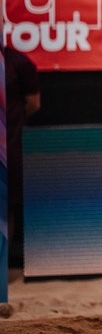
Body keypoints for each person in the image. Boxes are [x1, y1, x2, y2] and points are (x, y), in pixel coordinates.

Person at [4, 46, 40, 269]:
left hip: (9, 147)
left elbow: (33, 104)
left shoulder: (18, 62)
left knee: (6, 207)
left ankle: (2, 268)